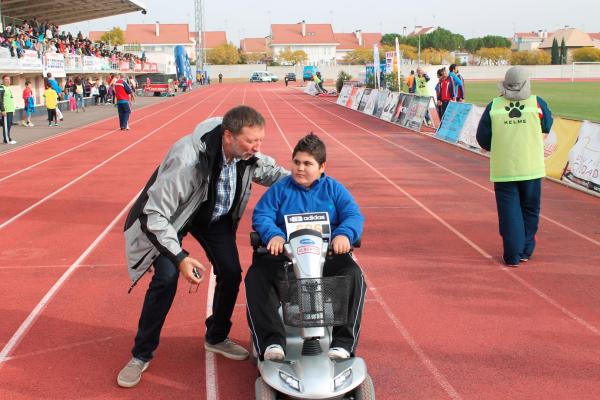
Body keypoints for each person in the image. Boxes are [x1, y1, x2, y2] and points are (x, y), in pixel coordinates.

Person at [117, 105, 289, 388]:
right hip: (171, 217)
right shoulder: (187, 159)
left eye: (260, 140)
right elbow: (154, 214)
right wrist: (181, 258)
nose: (257, 148)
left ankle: (216, 337)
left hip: (213, 217)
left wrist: (315, 180)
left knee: (232, 273)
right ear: (228, 136)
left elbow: (275, 174)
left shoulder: (248, 155)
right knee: (166, 278)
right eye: (251, 141)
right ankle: (140, 354)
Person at [245, 133, 366, 361]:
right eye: (297, 162)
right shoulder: (281, 189)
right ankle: (271, 343)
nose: (300, 168)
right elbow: (262, 215)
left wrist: (344, 235)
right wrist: (274, 235)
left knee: (353, 274)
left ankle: (343, 344)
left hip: (325, 258)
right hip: (286, 259)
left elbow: (353, 215)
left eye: (308, 164)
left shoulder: (334, 189)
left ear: (322, 167)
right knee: (256, 276)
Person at [476, 67, 553, 267]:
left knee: (509, 212)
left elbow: (482, 138)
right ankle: (526, 250)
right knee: (530, 209)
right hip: (532, 167)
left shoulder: (494, 106)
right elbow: (547, 125)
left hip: (504, 169)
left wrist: (501, 143)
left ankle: (512, 254)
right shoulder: (537, 104)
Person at [1, 75, 17, 144]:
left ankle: (8, 137)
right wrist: (2, 110)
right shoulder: (1, 88)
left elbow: (11, 99)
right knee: (6, 125)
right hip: (6, 110)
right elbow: (0, 100)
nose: (8, 81)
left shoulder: (8, 88)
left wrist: (13, 110)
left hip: (10, 110)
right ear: (3, 80)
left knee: (9, 124)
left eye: (9, 79)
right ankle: (6, 139)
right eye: (6, 79)